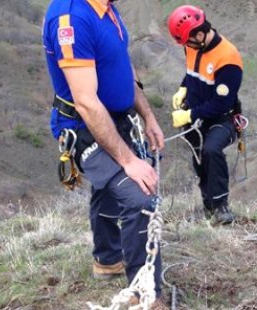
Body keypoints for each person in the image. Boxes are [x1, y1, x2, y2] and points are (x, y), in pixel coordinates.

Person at [42, 0, 167, 308]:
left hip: (116, 118)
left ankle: (108, 259)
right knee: (140, 195)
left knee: (111, 187)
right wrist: (128, 161)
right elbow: (86, 102)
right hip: (83, 126)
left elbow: (121, 64)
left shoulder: (106, 8)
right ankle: (145, 294)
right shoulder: (71, 18)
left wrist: (148, 116)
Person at [167, 5, 243, 225]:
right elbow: (192, 72)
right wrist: (183, 88)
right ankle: (208, 206)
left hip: (222, 118)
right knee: (199, 158)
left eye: (187, 41)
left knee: (211, 150)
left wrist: (189, 115)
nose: (186, 46)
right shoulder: (192, 46)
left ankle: (222, 207)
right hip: (197, 115)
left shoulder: (228, 58)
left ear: (199, 34)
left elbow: (222, 103)